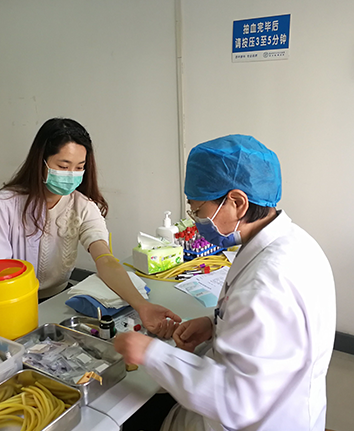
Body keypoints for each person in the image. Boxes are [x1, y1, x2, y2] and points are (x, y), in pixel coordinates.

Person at [114, 134, 336, 431]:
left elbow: (237, 401)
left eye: (197, 210)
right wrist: (215, 323)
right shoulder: (295, 242)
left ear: (237, 202)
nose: (195, 222)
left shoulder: (265, 284)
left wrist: (151, 353)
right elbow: (269, 338)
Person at [0, 117, 180, 336]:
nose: (71, 174)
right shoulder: (4, 204)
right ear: (41, 161)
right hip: (12, 302)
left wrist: (143, 306)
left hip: (58, 296)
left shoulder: (83, 206)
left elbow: (105, 260)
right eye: (63, 166)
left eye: (79, 167)